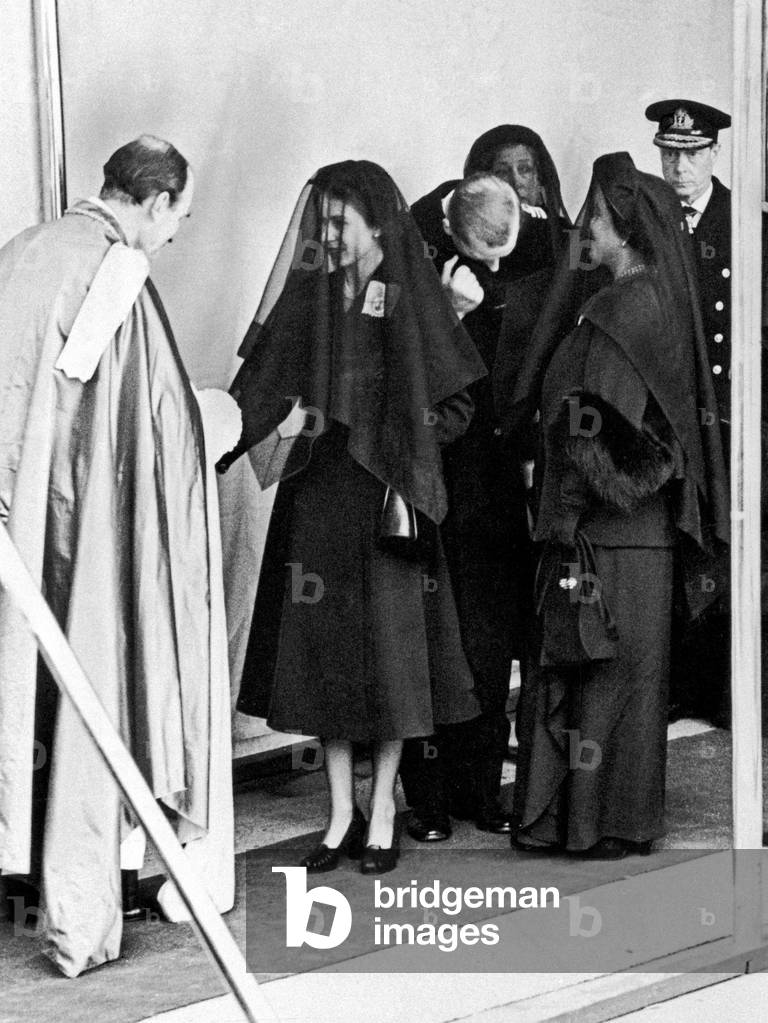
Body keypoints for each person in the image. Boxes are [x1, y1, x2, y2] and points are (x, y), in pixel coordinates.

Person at [0, 136, 235, 977]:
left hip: (12, 522)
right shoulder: (117, 275)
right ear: (154, 200)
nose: (174, 235)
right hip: (78, 535)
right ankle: (80, 920)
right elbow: (155, 434)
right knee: (90, 705)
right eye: (179, 216)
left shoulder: (22, 248)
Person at [216, 160, 486, 874]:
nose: (326, 234)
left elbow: (457, 407)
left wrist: (404, 439)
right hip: (317, 501)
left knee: (392, 666)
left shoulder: (413, 297)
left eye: (339, 222)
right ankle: (340, 814)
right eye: (321, 221)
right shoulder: (308, 299)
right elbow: (262, 393)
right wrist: (209, 437)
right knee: (328, 664)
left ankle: (385, 806)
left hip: (387, 506)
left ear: (376, 222)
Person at [509, 152, 728, 859]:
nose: (586, 229)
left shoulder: (622, 309)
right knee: (621, 682)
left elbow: (594, 430)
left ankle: (584, 826)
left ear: (623, 228)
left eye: (595, 217)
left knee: (595, 680)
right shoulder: (652, 301)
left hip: (604, 534)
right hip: (636, 538)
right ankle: (607, 823)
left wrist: (560, 521)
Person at [400, 128, 571, 843]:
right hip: (436, 473)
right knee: (435, 637)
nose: (523, 183)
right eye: (505, 170)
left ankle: (478, 786)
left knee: (493, 636)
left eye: (529, 172)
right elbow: (399, 364)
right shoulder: (416, 235)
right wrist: (452, 313)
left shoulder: (543, 238)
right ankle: (429, 795)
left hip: (503, 475)